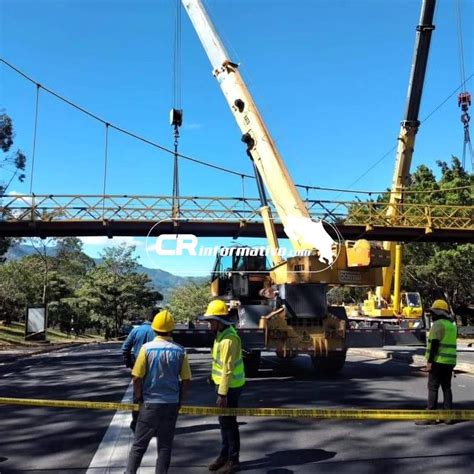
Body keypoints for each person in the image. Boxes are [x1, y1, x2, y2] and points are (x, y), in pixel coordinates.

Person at [125, 309, 191, 474]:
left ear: (154, 328)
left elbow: (137, 377)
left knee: (139, 445)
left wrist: (139, 398)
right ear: (171, 329)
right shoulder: (180, 350)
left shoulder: (146, 349)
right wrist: (180, 400)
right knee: (165, 447)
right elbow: (186, 379)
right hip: (171, 404)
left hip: (149, 404)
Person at [199, 300, 245, 474]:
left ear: (220, 320)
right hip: (224, 386)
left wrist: (222, 394)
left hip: (230, 387)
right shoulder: (221, 334)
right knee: (224, 422)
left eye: (211, 321)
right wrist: (213, 379)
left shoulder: (228, 340)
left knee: (229, 423)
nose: (209, 324)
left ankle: (233, 460)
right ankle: (224, 456)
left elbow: (227, 369)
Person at [416, 299, 457, 426]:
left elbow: (434, 345)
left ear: (440, 313)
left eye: (434, 312)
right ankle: (448, 416)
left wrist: (429, 363)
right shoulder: (452, 325)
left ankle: (430, 416)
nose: (432, 315)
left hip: (438, 361)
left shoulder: (437, 325)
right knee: (447, 388)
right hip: (450, 362)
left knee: (433, 387)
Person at [122, 309, 157, 431]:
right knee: (153, 398)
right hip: (154, 370)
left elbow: (125, 348)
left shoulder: (136, 330)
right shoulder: (157, 332)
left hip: (138, 369)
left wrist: (129, 363)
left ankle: (136, 423)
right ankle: (151, 425)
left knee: (137, 397)